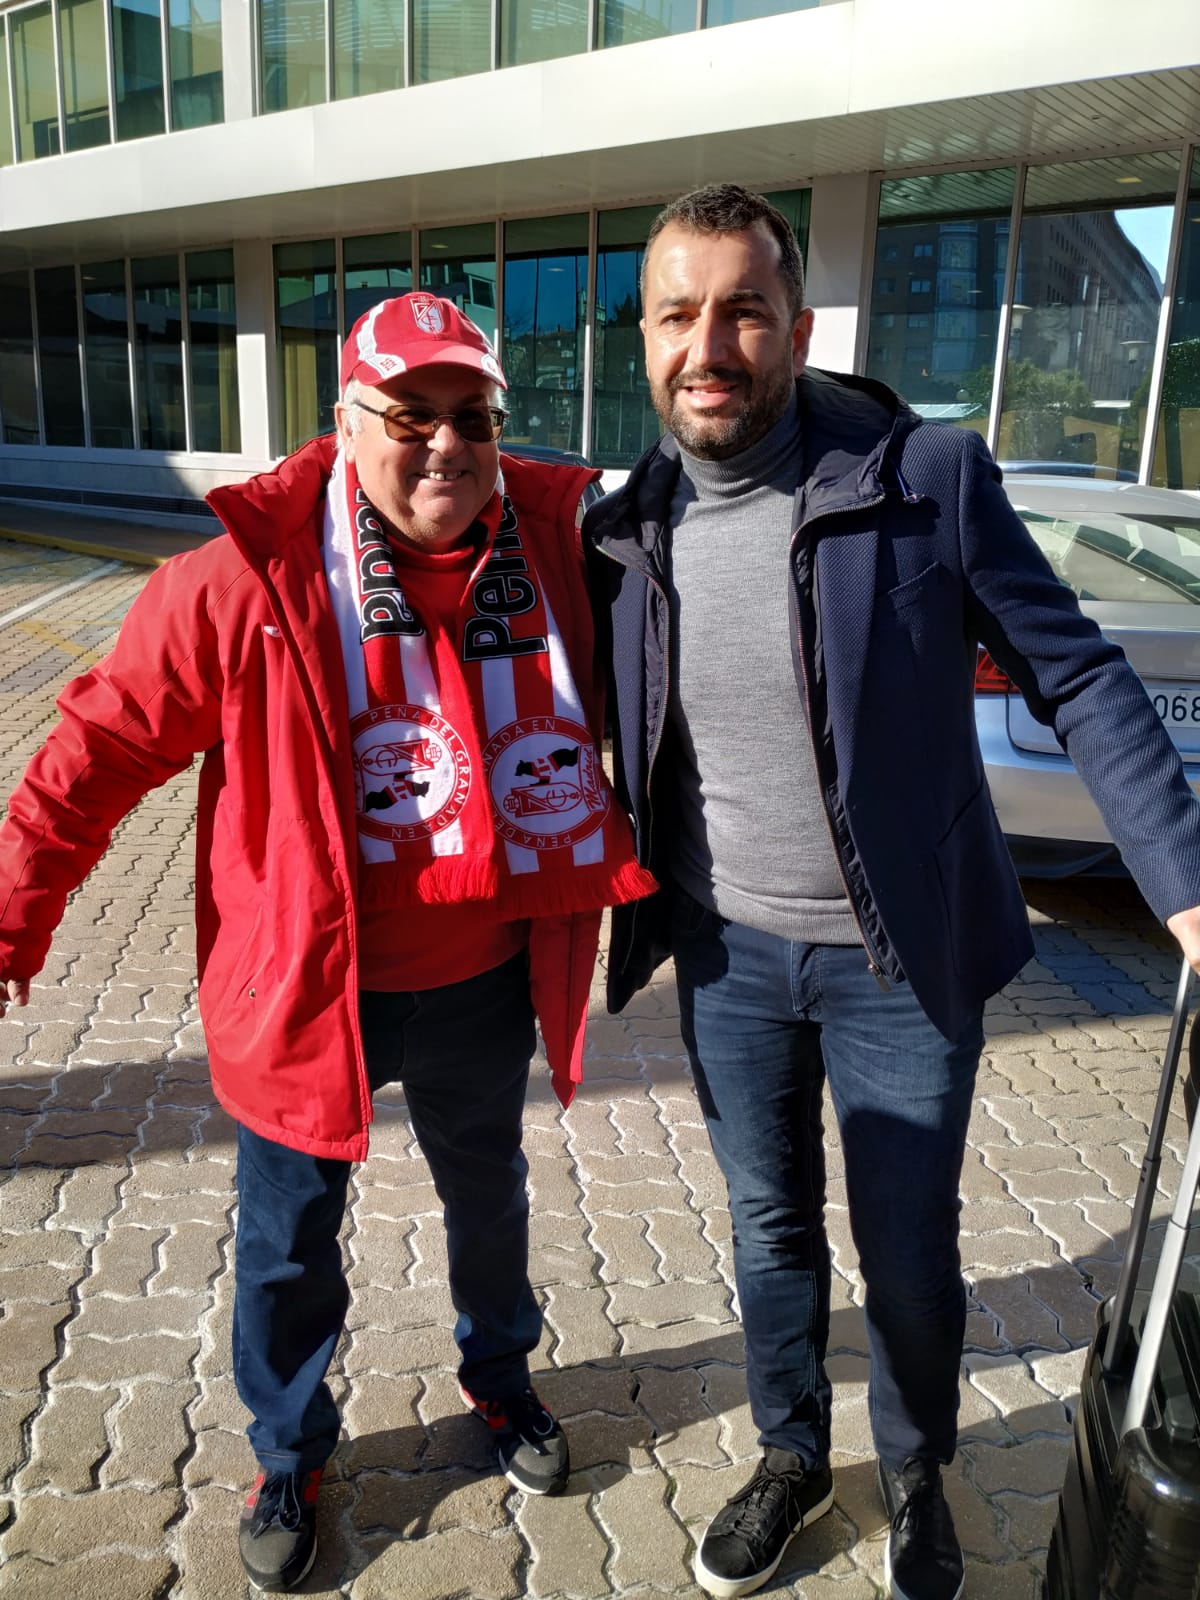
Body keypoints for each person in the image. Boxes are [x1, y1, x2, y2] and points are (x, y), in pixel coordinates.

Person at [585, 184, 1200, 1600]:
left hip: (894, 968)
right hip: (729, 962)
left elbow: (1086, 676)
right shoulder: (625, 527)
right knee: (769, 1228)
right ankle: (792, 1454)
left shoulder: (925, 476)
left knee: (908, 1246)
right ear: (645, 340)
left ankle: (919, 1465)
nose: (711, 343)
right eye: (680, 314)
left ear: (799, 326)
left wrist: (1179, 882)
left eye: (744, 309)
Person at [0, 291, 654, 1594]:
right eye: (408, 417)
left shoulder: (559, 560)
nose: (442, 448)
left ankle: (501, 1382)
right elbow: (95, 754)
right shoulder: (248, 580)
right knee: (291, 1240)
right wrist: (10, 920)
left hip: (481, 982)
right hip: (307, 992)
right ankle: (290, 1448)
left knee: (491, 1205)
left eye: (470, 418)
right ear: (347, 422)